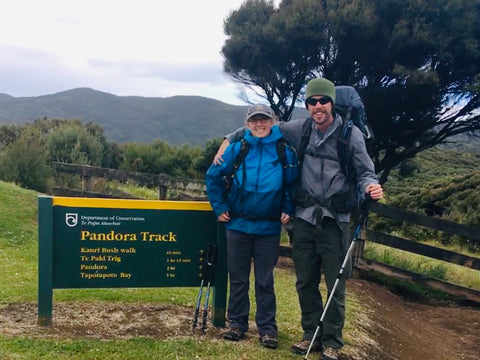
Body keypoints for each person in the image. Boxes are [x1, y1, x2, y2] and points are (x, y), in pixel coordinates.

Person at [214, 78, 383, 360]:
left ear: (332, 104)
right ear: (307, 105)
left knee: (335, 281)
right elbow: (263, 127)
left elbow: (366, 171)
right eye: (312, 102)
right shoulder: (300, 128)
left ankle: (332, 341)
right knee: (305, 280)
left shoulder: (350, 134)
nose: (318, 107)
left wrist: (371, 186)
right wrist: (228, 139)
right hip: (304, 217)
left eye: (323, 101)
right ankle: (310, 336)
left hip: (334, 218)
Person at [205, 104, 299, 349]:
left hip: (268, 227)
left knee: (265, 280)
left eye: (264, 120)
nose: (259, 124)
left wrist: (287, 208)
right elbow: (213, 175)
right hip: (237, 223)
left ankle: (268, 329)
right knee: (238, 277)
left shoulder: (284, 150)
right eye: (255, 120)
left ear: (273, 121)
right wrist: (219, 206)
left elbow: (291, 184)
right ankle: (236, 324)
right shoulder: (238, 148)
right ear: (247, 124)